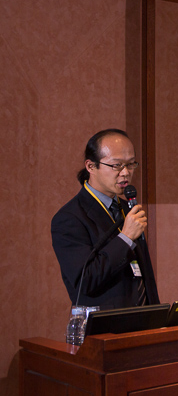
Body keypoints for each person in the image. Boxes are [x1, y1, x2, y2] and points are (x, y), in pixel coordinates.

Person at [51, 129, 159, 309]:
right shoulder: (69, 218)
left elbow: (144, 273)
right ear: (91, 166)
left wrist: (156, 313)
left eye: (131, 164)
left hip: (142, 320)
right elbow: (86, 280)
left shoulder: (127, 208)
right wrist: (125, 238)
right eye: (117, 165)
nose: (125, 173)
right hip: (105, 321)